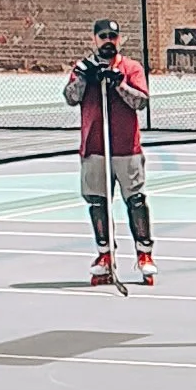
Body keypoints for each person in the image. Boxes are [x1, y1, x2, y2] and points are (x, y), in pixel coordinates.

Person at [64, 17, 154, 287]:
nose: (107, 41)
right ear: (94, 39)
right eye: (102, 36)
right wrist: (84, 77)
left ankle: (144, 253)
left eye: (112, 37)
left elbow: (141, 101)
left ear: (119, 39)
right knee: (98, 202)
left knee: (135, 200)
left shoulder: (131, 68)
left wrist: (119, 84)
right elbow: (71, 97)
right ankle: (104, 254)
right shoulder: (83, 68)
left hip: (126, 147)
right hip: (95, 147)